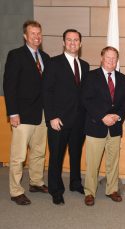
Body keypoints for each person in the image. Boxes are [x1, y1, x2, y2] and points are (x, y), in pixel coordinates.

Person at [3, 20, 50, 205]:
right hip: (22, 115)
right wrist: (13, 112)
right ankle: (16, 191)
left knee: (38, 152)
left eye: (39, 33)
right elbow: (9, 86)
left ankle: (36, 182)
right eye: (33, 34)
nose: (37, 37)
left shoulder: (45, 57)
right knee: (19, 156)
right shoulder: (16, 55)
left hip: (42, 114)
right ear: (25, 36)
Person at [43, 29, 90, 205]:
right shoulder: (53, 63)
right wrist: (52, 117)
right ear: (63, 43)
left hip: (79, 121)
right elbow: (47, 92)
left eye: (76, 40)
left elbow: (84, 94)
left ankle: (75, 183)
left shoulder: (84, 65)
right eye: (69, 40)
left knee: (76, 154)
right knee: (56, 156)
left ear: (80, 43)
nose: (72, 43)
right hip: (59, 120)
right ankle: (56, 190)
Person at [81, 46, 125, 206]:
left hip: (115, 127)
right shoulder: (90, 76)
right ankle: (89, 192)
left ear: (117, 60)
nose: (110, 61)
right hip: (96, 126)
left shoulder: (122, 78)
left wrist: (118, 116)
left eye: (114, 58)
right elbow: (86, 100)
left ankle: (112, 189)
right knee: (93, 163)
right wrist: (102, 116)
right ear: (101, 58)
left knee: (113, 161)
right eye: (108, 58)